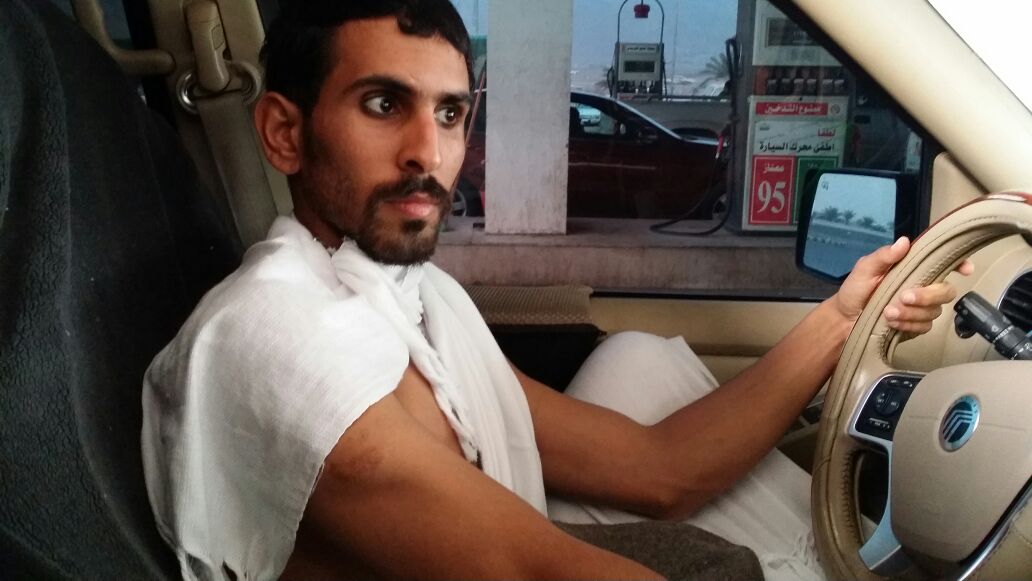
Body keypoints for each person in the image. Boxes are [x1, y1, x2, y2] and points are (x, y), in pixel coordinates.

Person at [140, 2, 970, 580]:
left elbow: (660, 467)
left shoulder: (414, 301)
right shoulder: (278, 342)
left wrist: (842, 316)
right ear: (285, 132)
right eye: (384, 103)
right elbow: (537, 569)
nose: (428, 151)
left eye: (451, 113)